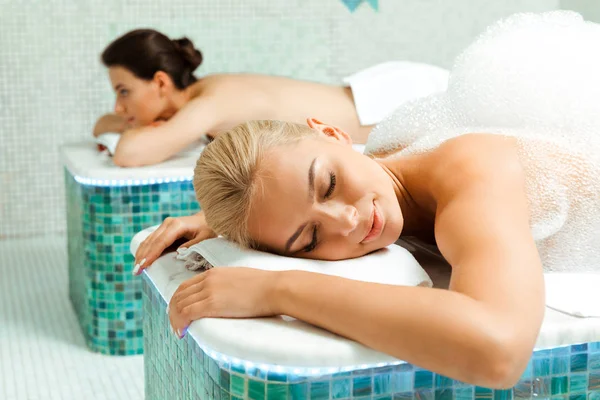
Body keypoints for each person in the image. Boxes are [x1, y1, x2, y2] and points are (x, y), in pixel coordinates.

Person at [133, 11, 600, 388]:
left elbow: (498, 351)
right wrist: (215, 220)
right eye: (310, 238)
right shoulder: (375, 162)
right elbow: (294, 194)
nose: (348, 220)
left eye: (329, 184)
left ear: (335, 134)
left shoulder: (473, 168)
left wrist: (276, 288)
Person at [94, 29, 448, 167]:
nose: (118, 107)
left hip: (397, 103)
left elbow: (129, 153)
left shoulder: (210, 104)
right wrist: (125, 120)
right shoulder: (202, 96)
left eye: (124, 91)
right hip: (379, 102)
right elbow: (102, 125)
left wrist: (132, 128)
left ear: (159, 82)